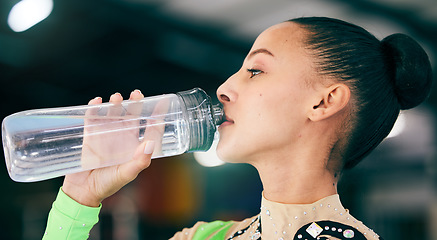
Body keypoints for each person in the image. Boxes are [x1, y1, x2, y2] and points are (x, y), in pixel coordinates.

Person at [42, 16, 432, 240]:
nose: (225, 88)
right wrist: (79, 199)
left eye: (255, 71)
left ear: (323, 102)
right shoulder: (203, 237)